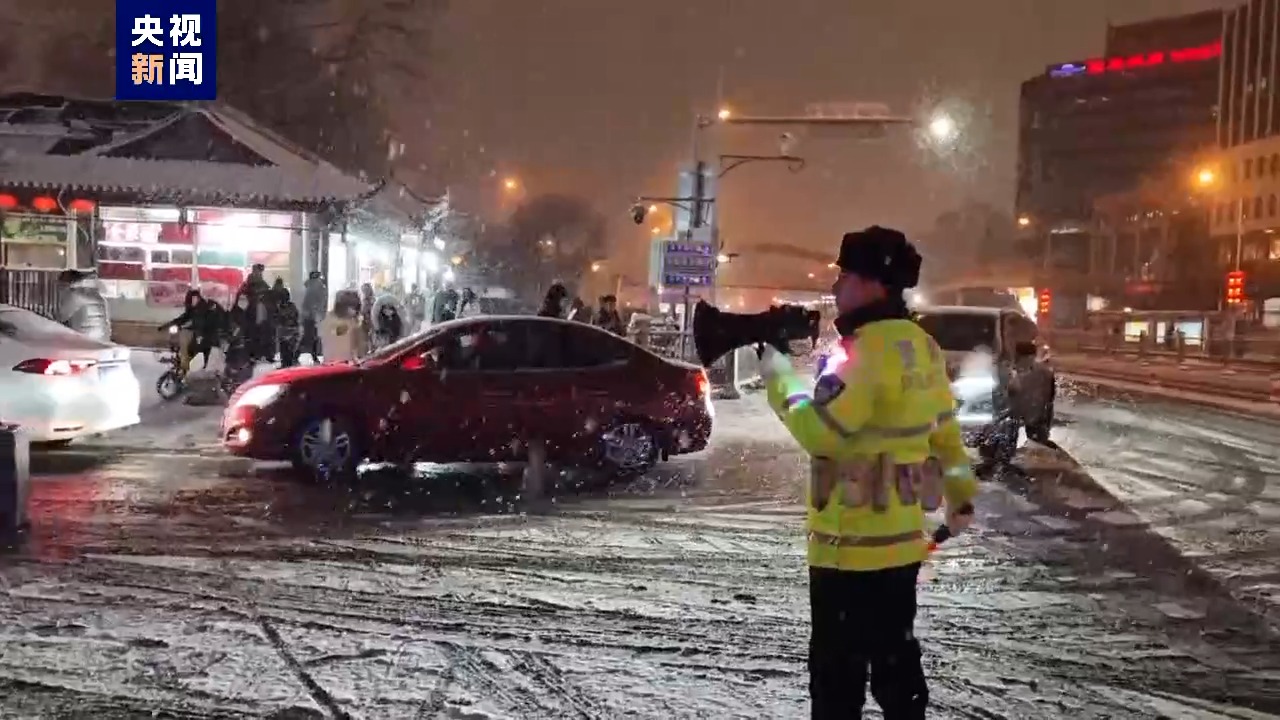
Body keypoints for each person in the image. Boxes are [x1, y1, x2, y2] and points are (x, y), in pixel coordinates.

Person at [757, 226, 977, 720]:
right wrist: (961, 497)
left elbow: (821, 435)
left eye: (846, 276)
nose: (836, 287)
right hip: (901, 547)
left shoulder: (863, 352)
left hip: (846, 552)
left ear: (874, 284)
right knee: (897, 666)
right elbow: (947, 438)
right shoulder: (922, 347)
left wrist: (778, 377)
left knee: (837, 682)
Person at [161, 289, 224, 372]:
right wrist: (167, 325)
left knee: (190, 343)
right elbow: (183, 318)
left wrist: (199, 334)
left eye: (194, 298)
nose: (193, 301)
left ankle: (187, 367)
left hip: (209, 336)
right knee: (187, 343)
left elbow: (202, 323)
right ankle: (187, 365)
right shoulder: (195, 309)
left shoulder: (204, 307)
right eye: (191, 299)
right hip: (203, 335)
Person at [56, 269, 111, 343]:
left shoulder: (74, 295)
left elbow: (62, 316)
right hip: (100, 337)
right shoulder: (97, 294)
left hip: (84, 337)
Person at [321, 290, 365, 363]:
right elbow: (334, 332)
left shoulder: (353, 321)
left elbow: (358, 343)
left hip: (349, 362)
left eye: (356, 308)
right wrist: (351, 326)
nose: (354, 311)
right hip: (333, 362)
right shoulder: (330, 319)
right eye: (351, 308)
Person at [300, 271, 327, 361]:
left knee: (307, 336)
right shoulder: (318, 287)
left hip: (307, 315)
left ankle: (298, 354)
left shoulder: (307, 286)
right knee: (313, 337)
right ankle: (314, 355)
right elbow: (320, 303)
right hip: (314, 316)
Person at [275, 288, 302, 368]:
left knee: (285, 350)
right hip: (292, 331)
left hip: (286, 331)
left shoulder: (280, 308)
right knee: (289, 350)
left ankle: (286, 364)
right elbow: (296, 317)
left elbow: (278, 319)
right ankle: (289, 363)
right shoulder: (292, 306)